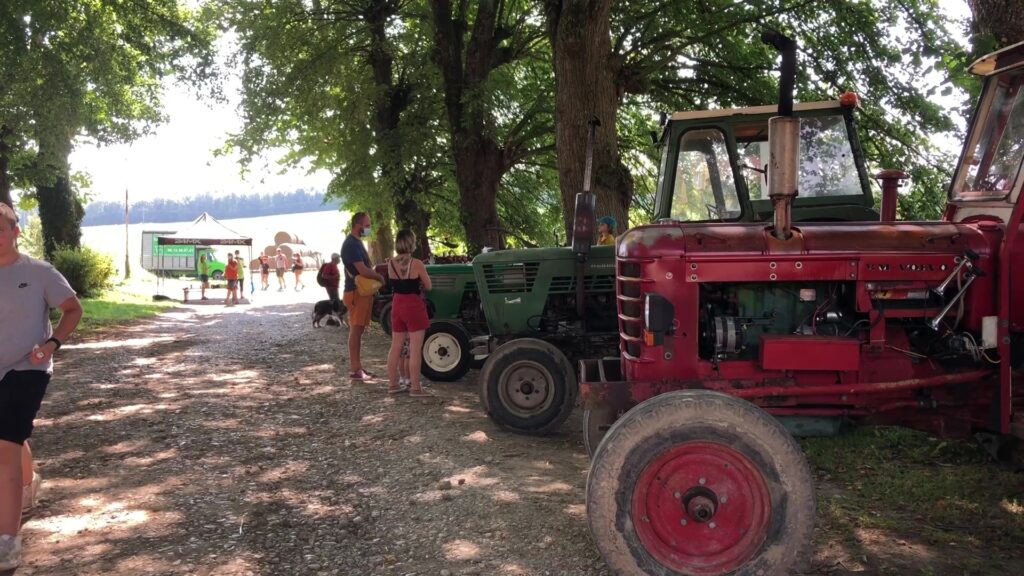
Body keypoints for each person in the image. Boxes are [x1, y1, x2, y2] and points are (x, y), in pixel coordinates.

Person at [0, 202, 83, 571]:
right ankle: (29, 483)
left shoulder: (38, 272)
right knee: (12, 437)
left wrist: (52, 345)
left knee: (3, 447)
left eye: (1, 228)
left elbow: (72, 309)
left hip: (27, 368)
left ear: (16, 231)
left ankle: (7, 541)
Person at [386, 229, 433, 397]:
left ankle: (392, 384)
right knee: (415, 348)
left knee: (395, 346)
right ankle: (415, 387)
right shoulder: (417, 263)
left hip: (397, 304)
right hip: (413, 305)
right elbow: (428, 286)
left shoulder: (390, 263)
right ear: (411, 243)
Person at [341, 212, 385, 380]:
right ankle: (355, 369)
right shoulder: (351, 244)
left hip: (361, 291)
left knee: (358, 330)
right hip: (356, 292)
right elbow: (363, 270)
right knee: (356, 329)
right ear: (357, 225)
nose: (369, 228)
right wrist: (379, 277)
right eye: (367, 225)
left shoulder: (356, 242)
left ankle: (358, 367)